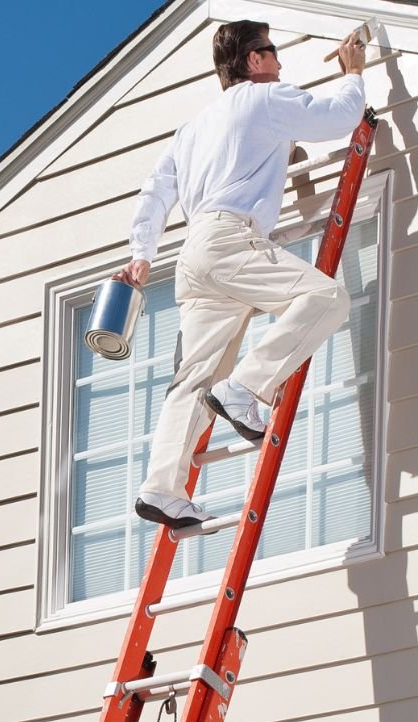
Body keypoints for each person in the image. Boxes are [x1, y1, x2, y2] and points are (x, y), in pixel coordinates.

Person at [119, 21, 368, 529]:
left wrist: (142, 252)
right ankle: (248, 387)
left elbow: (155, 192)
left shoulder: (192, 129)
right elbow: (340, 115)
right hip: (232, 239)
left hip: (193, 255)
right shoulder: (265, 99)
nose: (280, 63)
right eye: (274, 53)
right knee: (327, 299)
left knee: (192, 379)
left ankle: (161, 488)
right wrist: (354, 73)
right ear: (255, 61)